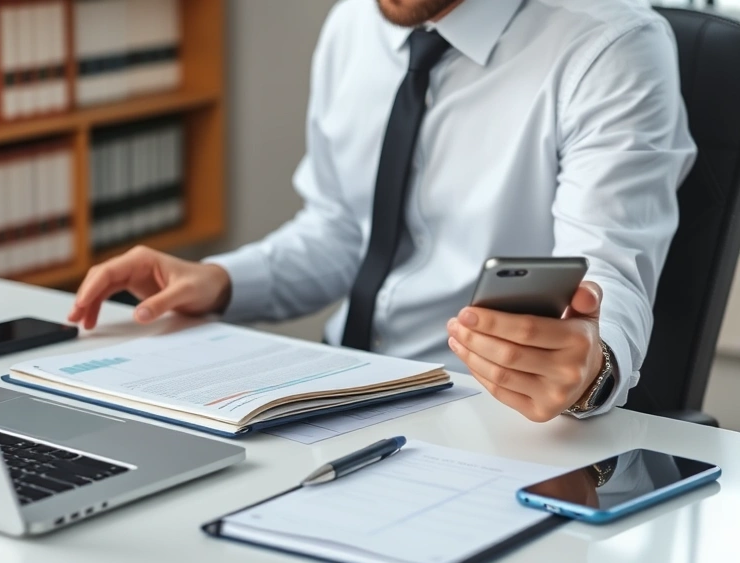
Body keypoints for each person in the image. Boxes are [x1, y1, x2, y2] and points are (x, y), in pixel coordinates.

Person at [67, 0, 697, 423]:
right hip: (331, 387)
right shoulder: (354, 23)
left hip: (477, 407)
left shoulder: (611, 44)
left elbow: (608, 277)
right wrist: (222, 282)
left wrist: (589, 371)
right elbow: (342, 233)